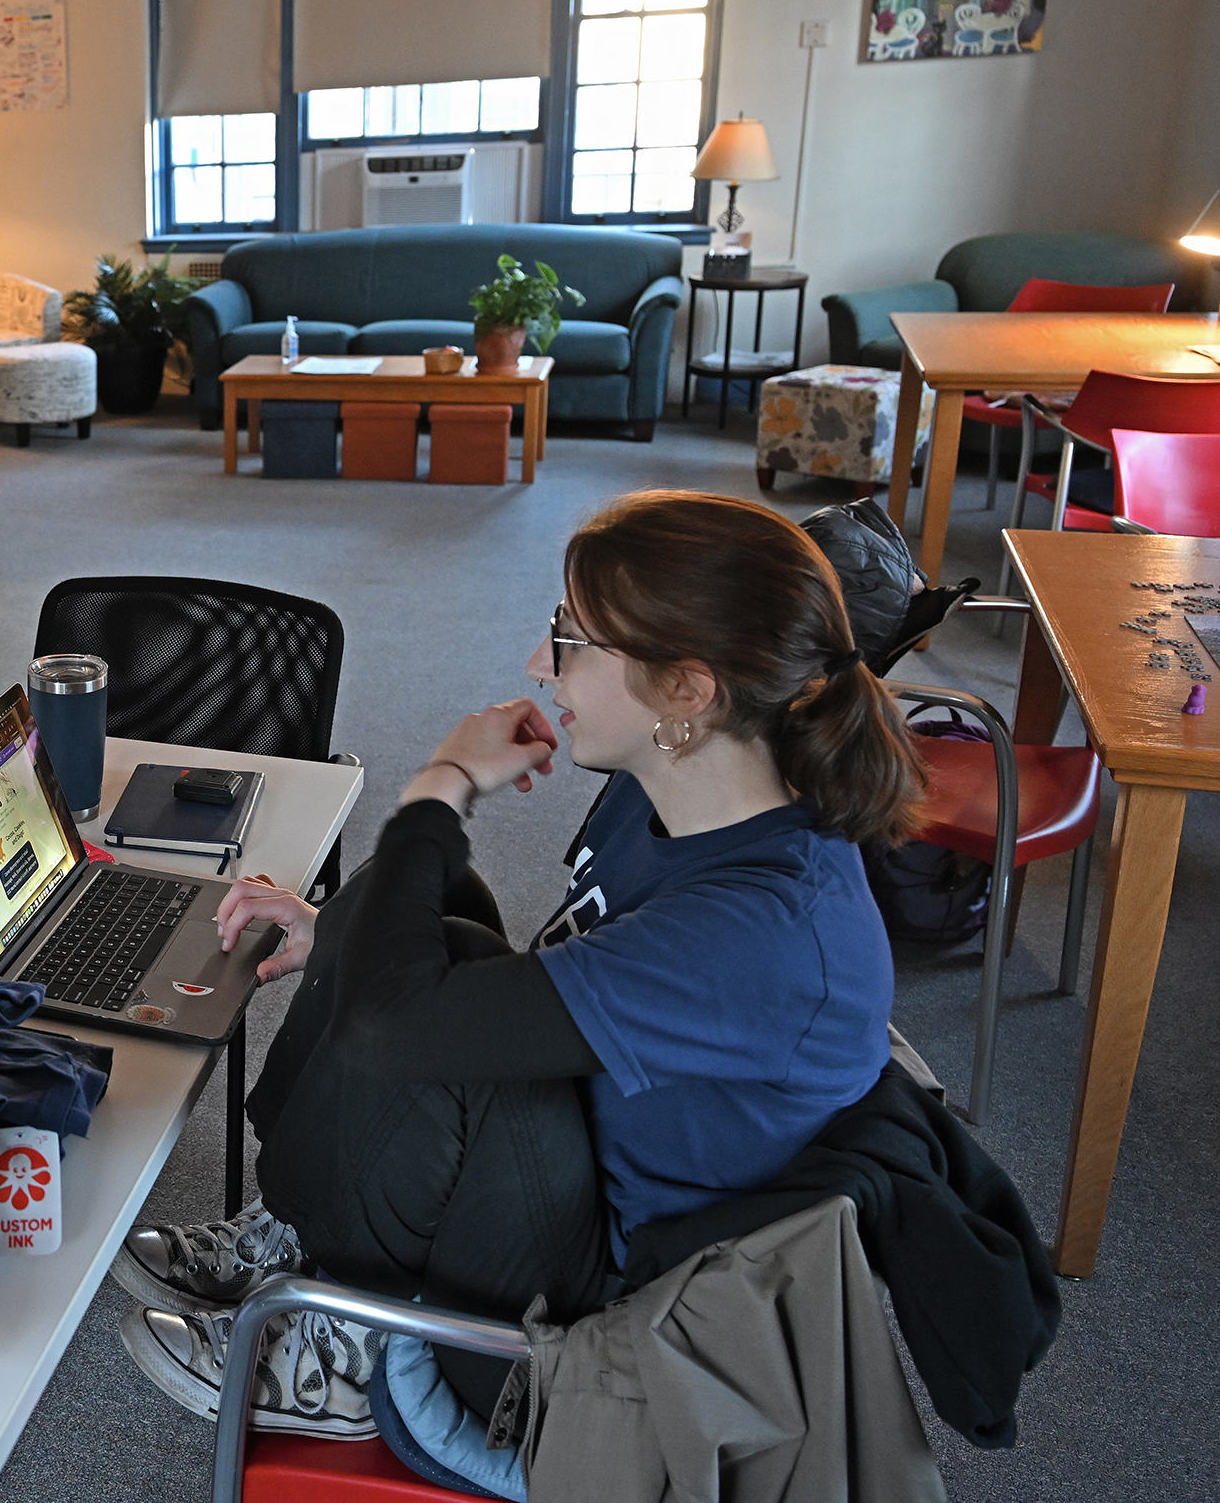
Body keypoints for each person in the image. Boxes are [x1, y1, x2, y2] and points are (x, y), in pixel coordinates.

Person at [110, 491, 921, 1487]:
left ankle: (346, 1342)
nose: (541, 663)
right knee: (421, 908)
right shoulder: (687, 789)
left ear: (687, 689)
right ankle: (296, 1233)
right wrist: (346, 935)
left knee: (437, 1007)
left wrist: (441, 787)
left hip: (588, 1329)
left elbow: (402, 1031)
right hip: (576, 1178)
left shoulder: (758, 934)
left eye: (570, 639)